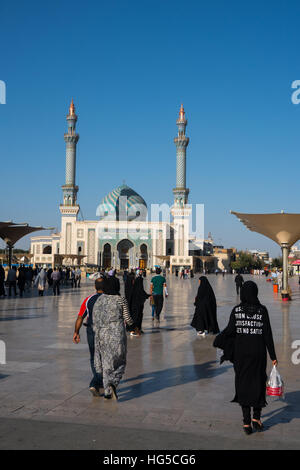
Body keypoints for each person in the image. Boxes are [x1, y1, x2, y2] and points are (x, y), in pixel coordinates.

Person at [213, 281, 278, 435]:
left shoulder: (236, 311)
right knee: (257, 383)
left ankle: (246, 422)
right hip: (258, 354)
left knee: (243, 385)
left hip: (241, 355)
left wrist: (219, 340)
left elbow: (229, 331)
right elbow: (267, 334)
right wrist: (273, 356)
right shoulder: (262, 311)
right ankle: (257, 418)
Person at [92, 276, 135, 400]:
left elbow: (94, 318)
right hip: (117, 334)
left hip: (102, 335)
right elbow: (128, 318)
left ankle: (107, 391)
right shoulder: (120, 299)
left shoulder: (99, 300)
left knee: (106, 363)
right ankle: (114, 382)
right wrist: (134, 326)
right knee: (120, 361)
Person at [73, 278, 104, 396]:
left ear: (95, 287)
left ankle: (96, 382)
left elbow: (80, 316)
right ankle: (96, 382)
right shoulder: (110, 300)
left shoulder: (88, 299)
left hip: (91, 329)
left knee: (93, 357)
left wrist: (76, 332)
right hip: (105, 331)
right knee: (104, 357)